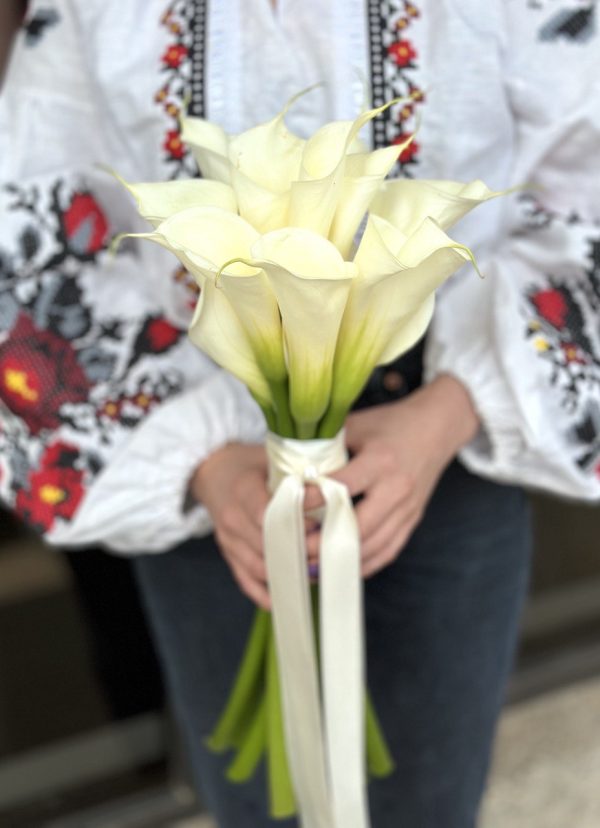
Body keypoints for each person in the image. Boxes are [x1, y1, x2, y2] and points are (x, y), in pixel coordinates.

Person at [1, 1, 599, 826]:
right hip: (210, 492)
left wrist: (451, 412)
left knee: (430, 793)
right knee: (250, 804)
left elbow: (586, 189)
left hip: (443, 464)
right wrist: (207, 464)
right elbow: (37, 221)